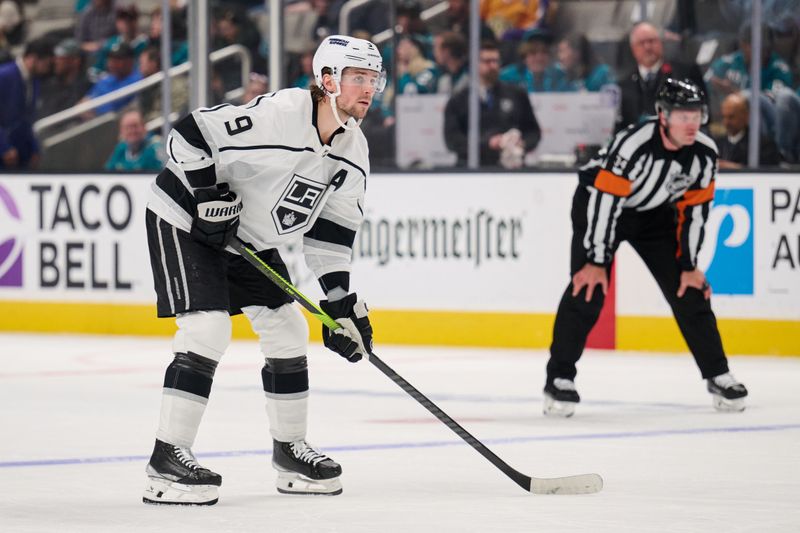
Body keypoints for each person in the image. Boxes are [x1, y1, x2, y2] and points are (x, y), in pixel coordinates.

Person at [141, 34, 383, 505]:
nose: (368, 88)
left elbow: (330, 236)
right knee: (208, 330)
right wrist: (209, 194)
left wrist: (340, 304)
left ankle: (290, 452)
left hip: (247, 238)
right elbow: (188, 135)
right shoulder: (279, 115)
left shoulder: (353, 150)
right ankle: (166, 459)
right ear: (327, 79)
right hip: (184, 218)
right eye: (358, 77)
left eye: (374, 78)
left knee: (289, 329)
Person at [543, 78, 748, 418]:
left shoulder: (704, 153)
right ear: (662, 115)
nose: (691, 122)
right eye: (682, 115)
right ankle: (560, 378)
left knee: (689, 289)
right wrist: (596, 259)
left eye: (696, 114)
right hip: (599, 206)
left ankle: (718, 374)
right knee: (588, 288)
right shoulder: (633, 144)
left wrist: (688, 263)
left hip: (653, 215)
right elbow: (606, 202)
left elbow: (695, 212)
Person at [444, 40, 541, 168]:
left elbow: (533, 132)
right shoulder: (459, 99)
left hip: (510, 168)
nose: (493, 66)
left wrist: (521, 143)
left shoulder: (516, 94)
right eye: (487, 61)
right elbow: (453, 140)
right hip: (471, 170)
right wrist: (488, 144)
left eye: (496, 61)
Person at [616, 22, 706, 132]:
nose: (647, 47)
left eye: (651, 41)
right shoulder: (623, 85)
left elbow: (703, 112)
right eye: (641, 43)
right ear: (633, 49)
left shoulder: (685, 73)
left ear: (661, 42)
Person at [0, 39, 53, 170]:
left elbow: (27, 118)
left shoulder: (34, 80)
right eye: (46, 63)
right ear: (33, 58)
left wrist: (34, 147)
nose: (47, 68)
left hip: (19, 153)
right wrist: (3, 147)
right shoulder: (4, 76)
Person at [716, 92, 781, 168]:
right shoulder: (716, 144)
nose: (726, 122)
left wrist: (736, 168)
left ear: (746, 116)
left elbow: (768, 174)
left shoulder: (764, 146)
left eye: (731, 117)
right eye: (724, 117)